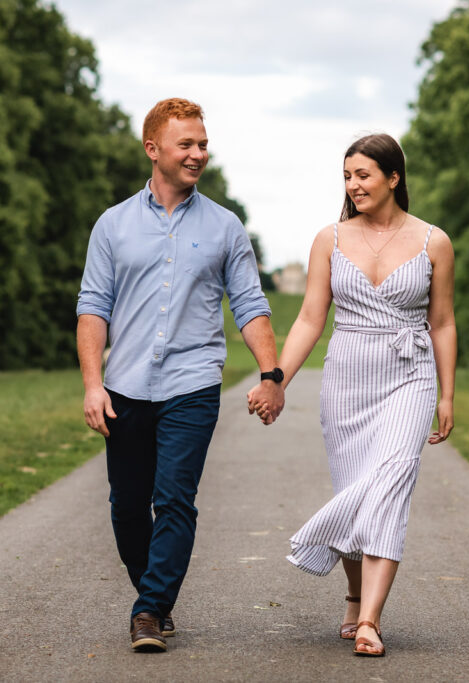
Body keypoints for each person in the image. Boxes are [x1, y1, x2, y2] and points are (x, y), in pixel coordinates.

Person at [77, 97, 285, 653]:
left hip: (193, 384)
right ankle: (155, 593)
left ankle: (149, 610)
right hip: (124, 386)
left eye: (203, 143)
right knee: (127, 506)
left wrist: (272, 374)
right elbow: (93, 307)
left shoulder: (224, 227)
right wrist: (93, 385)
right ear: (153, 150)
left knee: (174, 500)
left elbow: (249, 304)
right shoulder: (113, 225)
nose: (199, 154)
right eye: (186, 144)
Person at [247, 133, 456, 657]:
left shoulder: (435, 242)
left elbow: (444, 323)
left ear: (393, 177)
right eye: (346, 176)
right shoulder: (331, 239)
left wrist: (447, 396)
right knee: (356, 486)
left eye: (363, 175)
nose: (353, 185)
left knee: (390, 483)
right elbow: (311, 319)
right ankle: (354, 593)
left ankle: (370, 621)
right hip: (347, 380)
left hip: (410, 376)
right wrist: (276, 379)